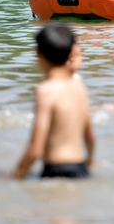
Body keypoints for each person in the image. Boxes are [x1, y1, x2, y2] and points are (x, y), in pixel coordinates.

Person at [13, 24, 95, 179]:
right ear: (70, 54)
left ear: (38, 54)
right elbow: (90, 138)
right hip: (80, 169)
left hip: (55, 170)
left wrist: (16, 175)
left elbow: (36, 149)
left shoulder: (45, 91)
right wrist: (89, 162)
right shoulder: (79, 88)